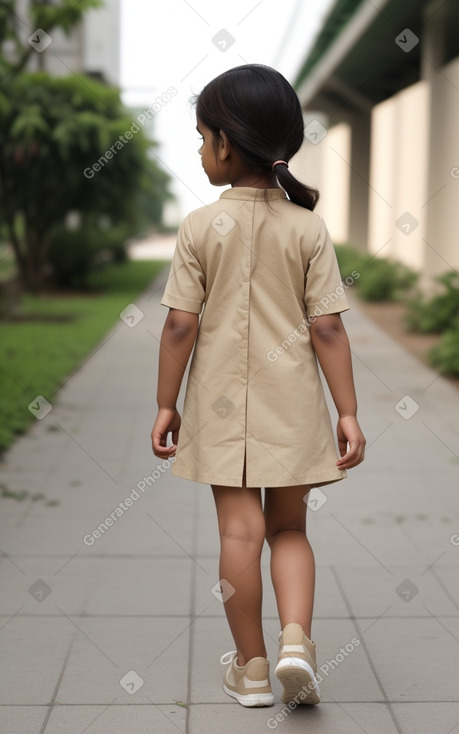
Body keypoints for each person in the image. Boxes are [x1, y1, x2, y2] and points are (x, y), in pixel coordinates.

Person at [151, 64, 366, 709]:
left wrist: (167, 403)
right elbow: (327, 328)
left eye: (202, 135)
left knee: (238, 536)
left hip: (218, 408)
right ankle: (296, 640)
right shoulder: (307, 227)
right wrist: (348, 413)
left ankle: (251, 671)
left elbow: (179, 327)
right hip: (294, 405)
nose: (198, 148)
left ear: (226, 143)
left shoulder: (198, 227)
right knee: (290, 530)